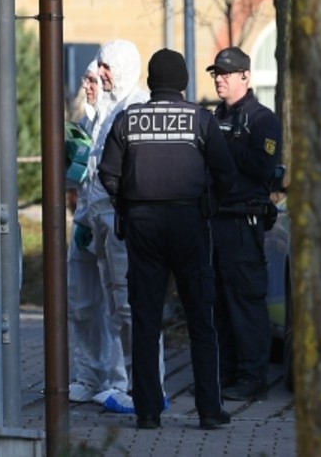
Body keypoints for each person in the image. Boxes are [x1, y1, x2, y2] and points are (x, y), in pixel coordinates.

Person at [98, 48, 237, 431]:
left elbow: (107, 174)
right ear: (183, 82)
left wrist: (126, 204)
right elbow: (225, 173)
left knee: (145, 320)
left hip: (143, 226)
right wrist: (209, 204)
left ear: (152, 81)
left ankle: (147, 412)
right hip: (190, 222)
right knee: (200, 319)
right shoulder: (200, 120)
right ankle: (209, 411)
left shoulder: (129, 119)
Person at [77, 39, 151, 414]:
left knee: (130, 305)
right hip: (105, 220)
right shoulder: (112, 109)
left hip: (122, 222)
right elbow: (93, 169)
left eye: (105, 67)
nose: (100, 74)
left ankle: (144, 386)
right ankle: (123, 383)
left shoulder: (135, 107)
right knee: (114, 306)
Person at [207, 46, 282, 401]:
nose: (219, 79)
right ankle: (226, 374)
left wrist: (225, 144)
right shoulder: (213, 116)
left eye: (225, 73)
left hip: (242, 222)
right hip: (214, 221)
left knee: (245, 302)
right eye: (216, 74)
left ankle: (252, 378)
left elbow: (263, 166)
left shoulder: (261, 119)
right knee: (218, 302)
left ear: (245, 77)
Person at [66, 60, 119, 404]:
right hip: (85, 224)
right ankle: (89, 376)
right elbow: (79, 181)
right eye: (85, 80)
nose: (87, 87)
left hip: (111, 225)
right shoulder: (85, 123)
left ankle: (119, 380)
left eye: (93, 81)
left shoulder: (119, 118)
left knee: (117, 305)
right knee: (81, 304)